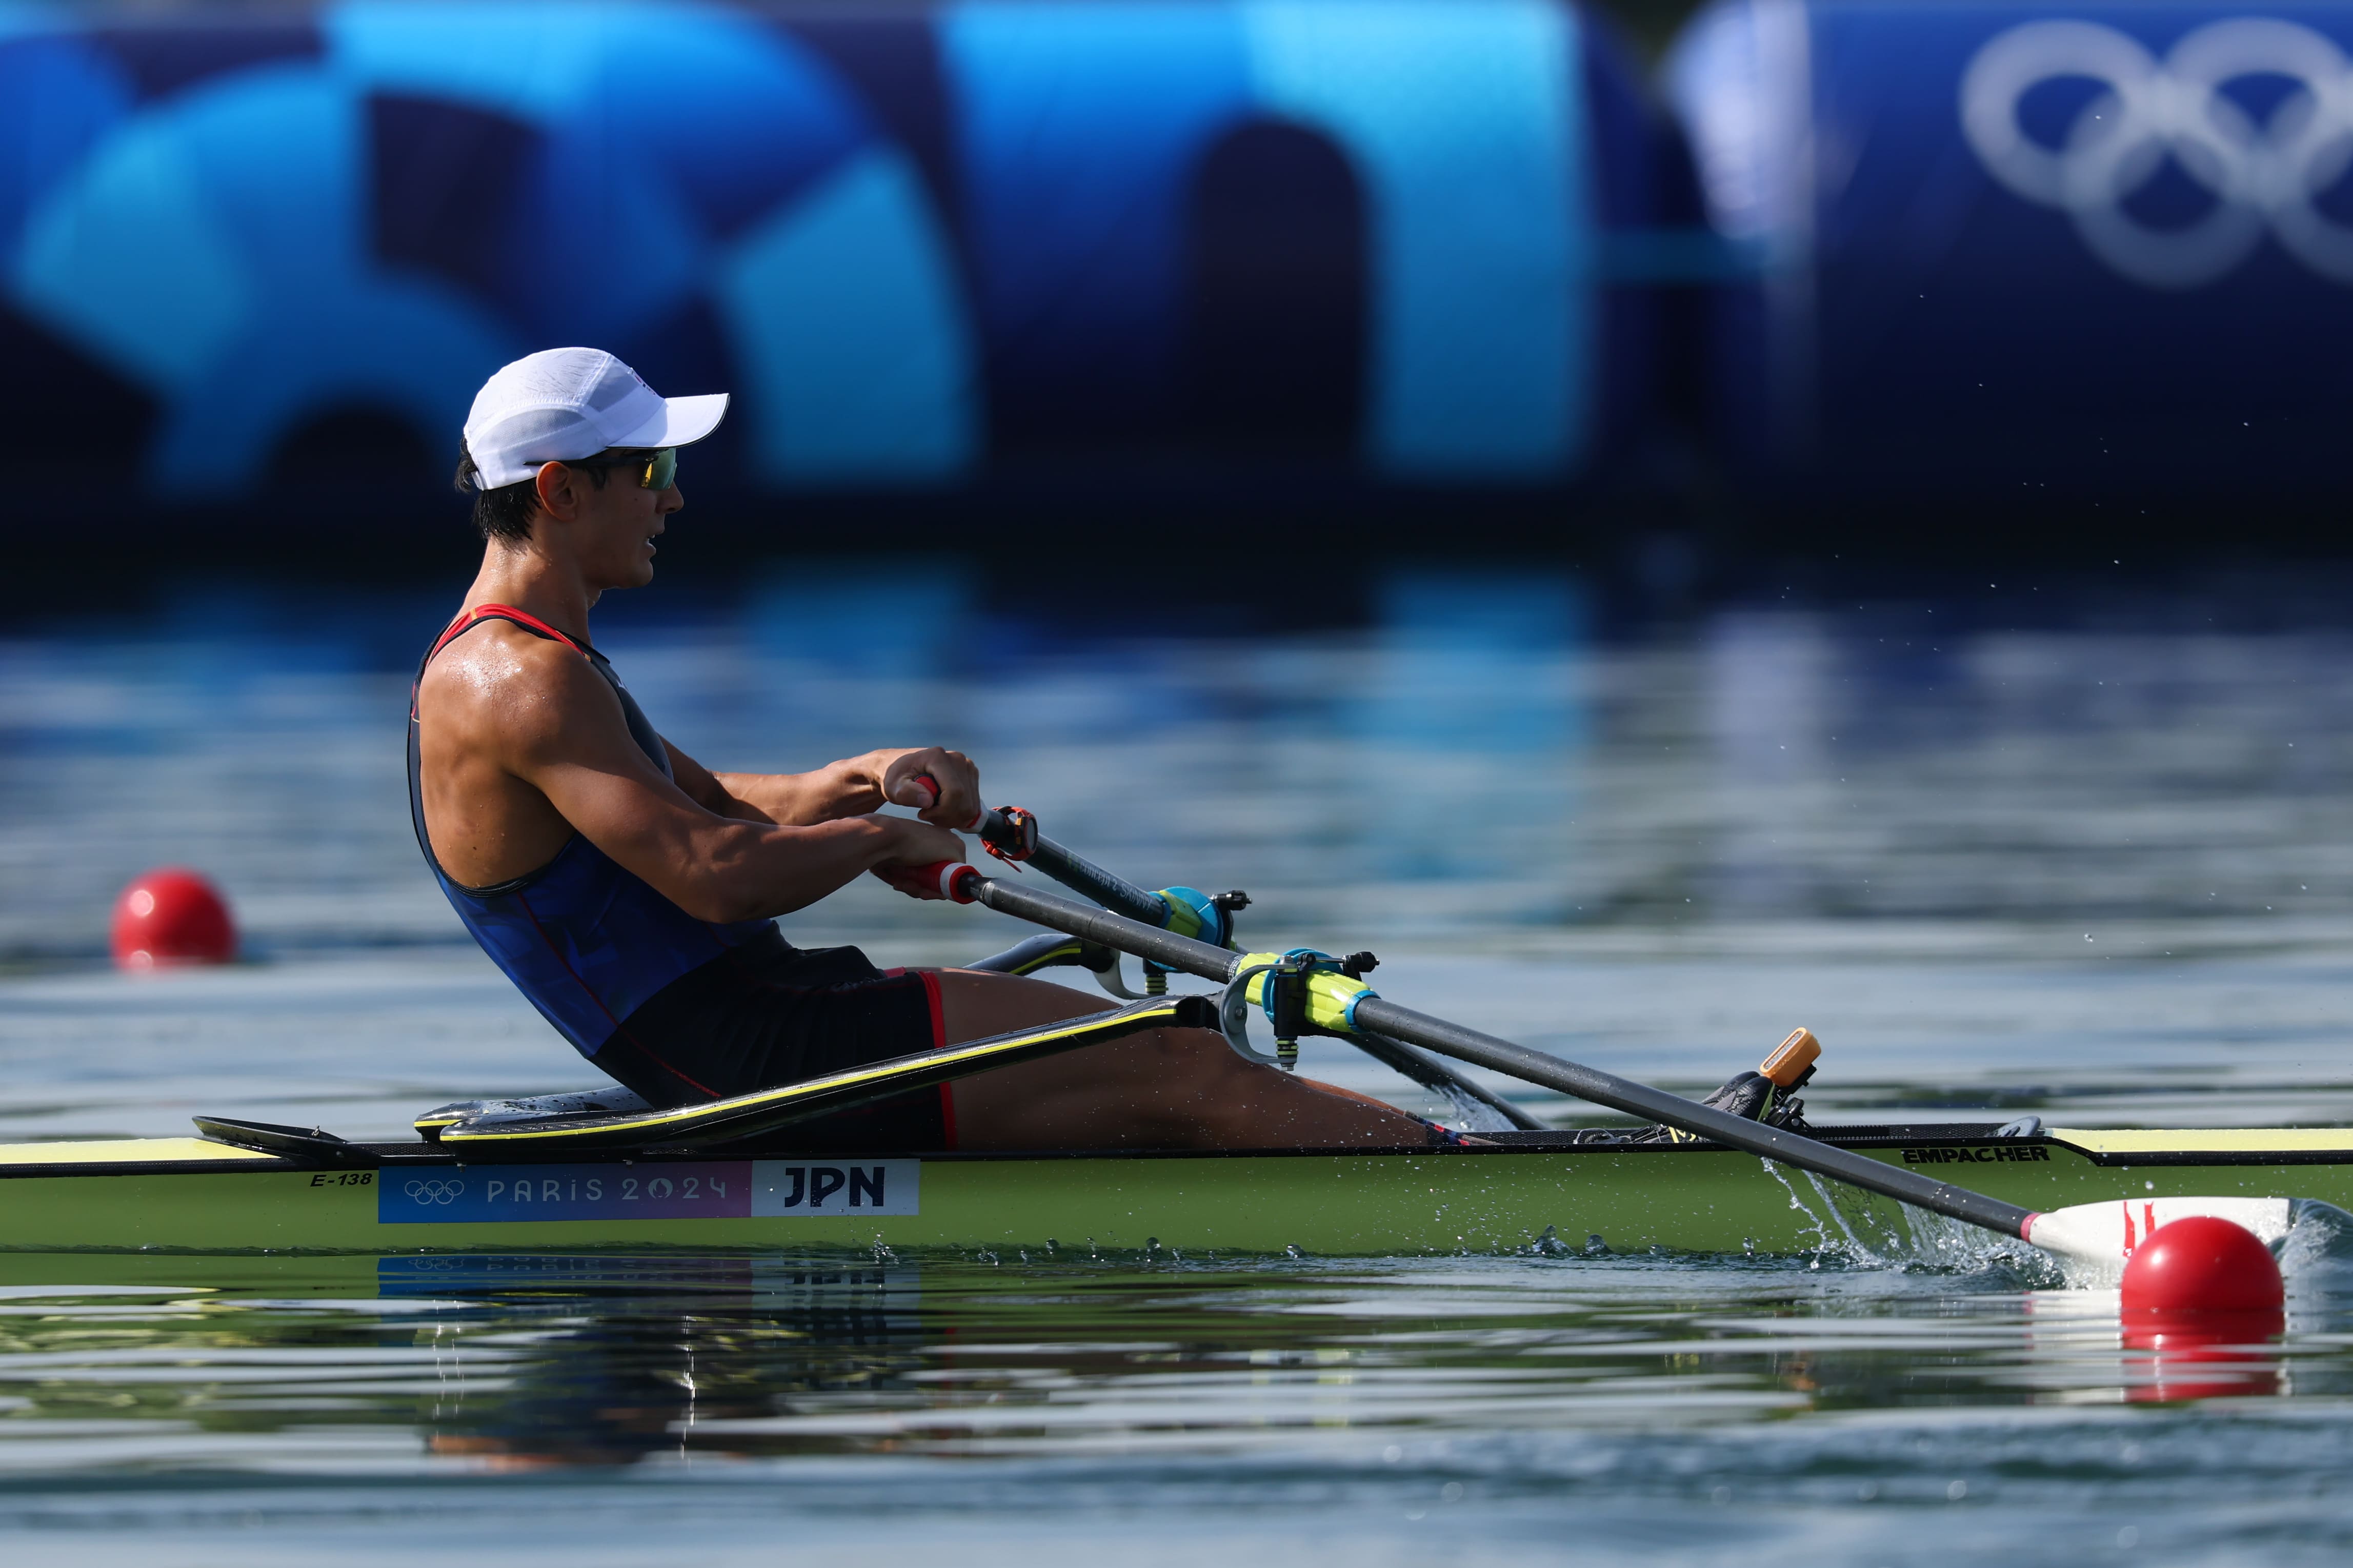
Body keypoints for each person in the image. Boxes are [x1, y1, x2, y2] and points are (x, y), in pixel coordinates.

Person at [409, 348, 1436, 1153]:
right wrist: (872, 841)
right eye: (653, 469)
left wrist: (870, 776)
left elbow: (721, 805)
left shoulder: (537, 664)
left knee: (1159, 1070)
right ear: (558, 492)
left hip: (770, 1024)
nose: (674, 498)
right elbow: (711, 874)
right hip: (756, 1062)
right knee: (1177, 1057)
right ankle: (1470, 1190)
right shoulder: (519, 682)